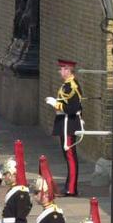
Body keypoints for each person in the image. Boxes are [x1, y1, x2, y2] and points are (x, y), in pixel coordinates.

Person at [45, 59, 83, 197]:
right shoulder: (67, 85)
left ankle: (71, 188)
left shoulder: (71, 86)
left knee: (70, 156)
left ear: (68, 70)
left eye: (62, 69)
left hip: (69, 123)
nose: (60, 71)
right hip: (65, 123)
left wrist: (56, 104)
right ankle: (69, 185)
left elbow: (72, 108)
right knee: (68, 157)